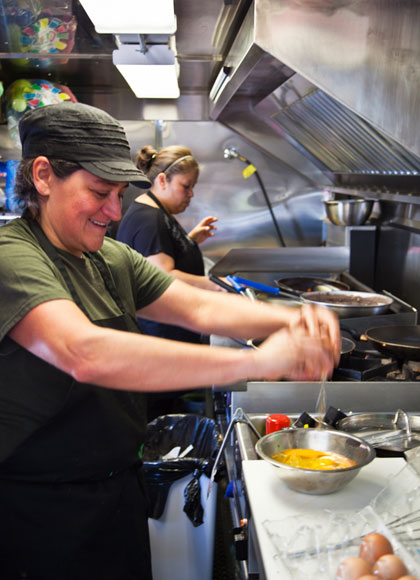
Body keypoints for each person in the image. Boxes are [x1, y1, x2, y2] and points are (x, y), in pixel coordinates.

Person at [0, 102, 340, 580]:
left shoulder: (107, 256)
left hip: (116, 493)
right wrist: (257, 362)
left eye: (119, 193)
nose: (114, 211)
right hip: (40, 514)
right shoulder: (14, 258)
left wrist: (286, 321)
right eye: (99, 192)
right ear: (42, 175)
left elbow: (196, 306)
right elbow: (85, 353)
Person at [116, 145, 222, 417]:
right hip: (157, 341)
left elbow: (161, 258)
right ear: (162, 180)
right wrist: (219, 285)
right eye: (186, 187)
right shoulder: (149, 219)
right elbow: (164, 276)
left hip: (162, 339)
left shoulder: (154, 211)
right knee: (158, 418)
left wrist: (190, 241)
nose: (191, 194)